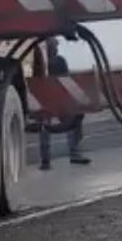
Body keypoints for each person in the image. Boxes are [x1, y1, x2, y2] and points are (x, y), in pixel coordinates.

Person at [38, 38, 90, 169]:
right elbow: (66, 80)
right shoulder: (57, 61)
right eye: (54, 47)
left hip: (48, 99)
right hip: (53, 99)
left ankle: (46, 160)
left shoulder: (44, 62)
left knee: (45, 127)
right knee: (70, 123)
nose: (56, 49)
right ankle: (73, 154)